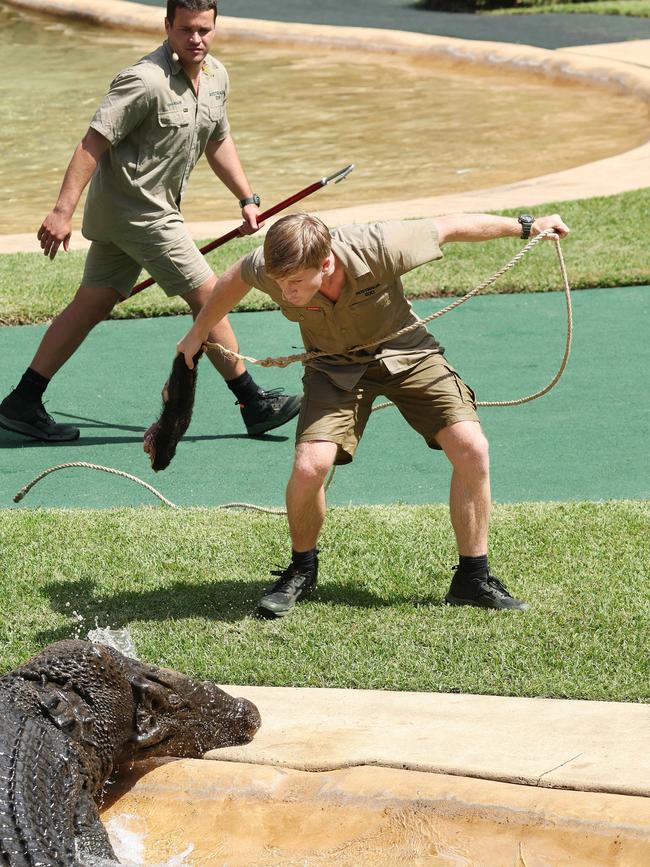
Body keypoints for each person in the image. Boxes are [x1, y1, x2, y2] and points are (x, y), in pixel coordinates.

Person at [176, 210, 570, 618]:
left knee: (472, 448)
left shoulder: (381, 245)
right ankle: (302, 569)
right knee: (311, 467)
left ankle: (473, 577)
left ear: (326, 263)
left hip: (409, 354)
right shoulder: (272, 267)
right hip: (332, 366)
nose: (285, 292)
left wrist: (527, 226)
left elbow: (450, 227)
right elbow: (233, 280)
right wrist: (196, 333)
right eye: (279, 284)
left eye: (294, 283)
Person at [0, 0, 300, 443]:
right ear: (167, 27)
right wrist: (61, 211)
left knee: (92, 303)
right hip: (141, 213)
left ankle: (22, 401)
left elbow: (219, 138)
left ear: (215, 27)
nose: (195, 40)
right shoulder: (143, 80)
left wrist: (246, 197)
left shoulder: (216, 77)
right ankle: (252, 400)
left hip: (139, 215)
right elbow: (92, 143)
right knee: (210, 295)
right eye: (185, 30)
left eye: (204, 30)